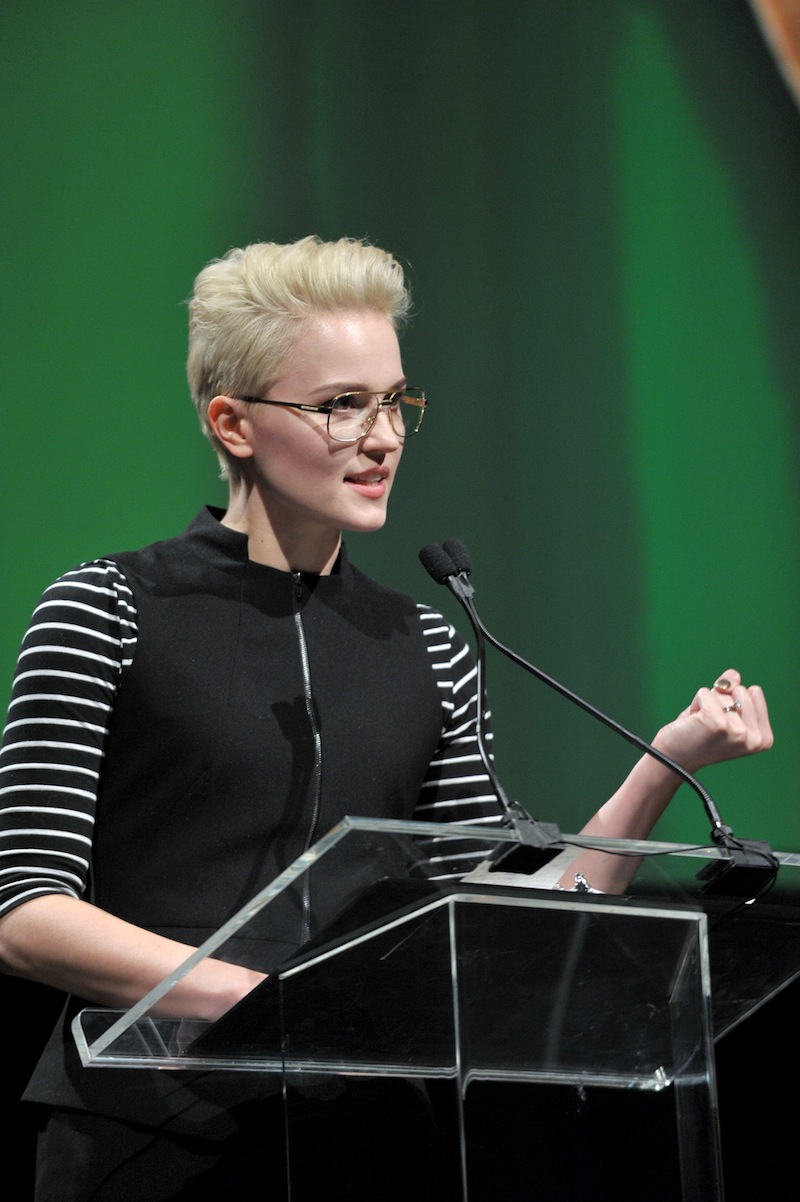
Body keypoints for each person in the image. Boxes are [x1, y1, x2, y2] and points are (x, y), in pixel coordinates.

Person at [0, 236, 773, 1199]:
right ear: (232, 422)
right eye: (340, 405)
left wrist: (664, 763)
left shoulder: (427, 642)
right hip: (145, 1138)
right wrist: (276, 1009)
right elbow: (30, 917)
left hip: (371, 1146)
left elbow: (501, 923)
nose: (384, 437)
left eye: (395, 400)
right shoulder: (108, 609)